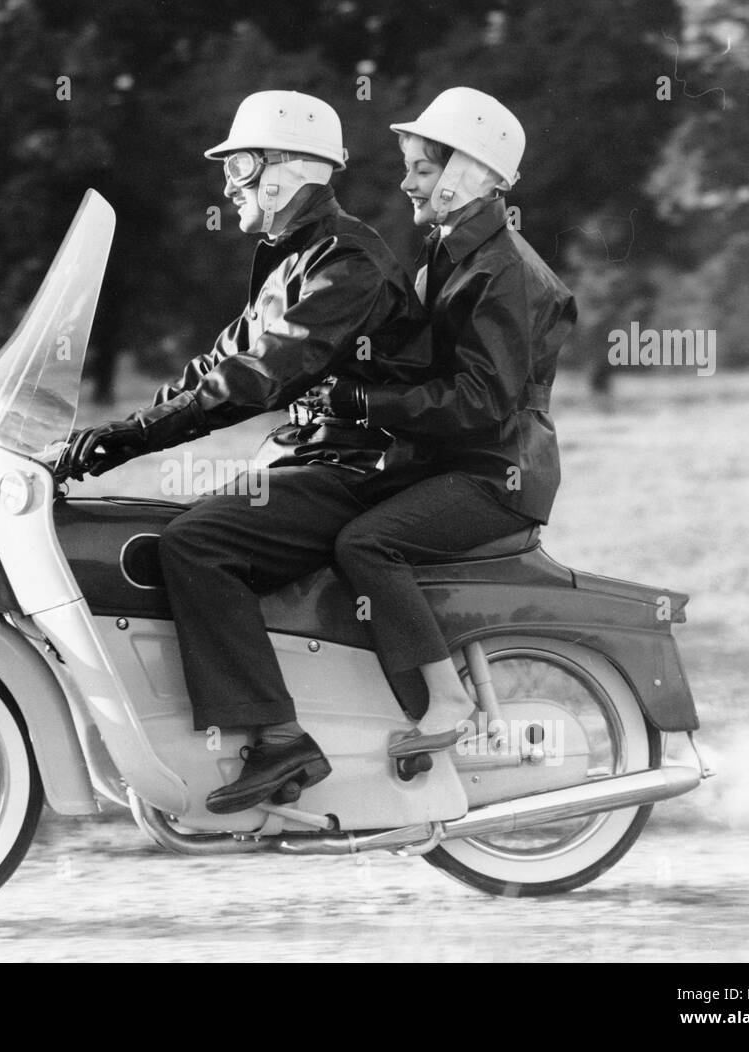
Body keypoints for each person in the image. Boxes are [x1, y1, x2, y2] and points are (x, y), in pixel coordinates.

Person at [61, 90, 432, 814]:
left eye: (238, 167)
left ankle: (278, 738)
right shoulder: (292, 260)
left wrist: (130, 439)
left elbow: (258, 377)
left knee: (199, 542)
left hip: (365, 467)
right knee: (166, 524)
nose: (227, 184)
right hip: (318, 457)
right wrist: (104, 439)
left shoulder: (346, 263)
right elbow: (214, 368)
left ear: (281, 173)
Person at [306, 87, 577, 758]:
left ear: (467, 174)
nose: (407, 182)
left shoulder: (502, 270)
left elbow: (478, 401)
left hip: (496, 476)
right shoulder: (452, 256)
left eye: (423, 169)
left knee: (366, 544)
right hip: (464, 464)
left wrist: (365, 405)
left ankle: (446, 700)